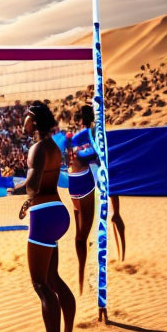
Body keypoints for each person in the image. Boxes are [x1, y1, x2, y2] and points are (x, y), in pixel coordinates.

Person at [7, 101, 75, 332]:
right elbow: (44, 185)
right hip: (57, 211)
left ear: (33, 120)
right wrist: (28, 200)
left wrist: (15, 190)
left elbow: (34, 186)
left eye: (25, 117)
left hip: (44, 218)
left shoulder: (36, 148)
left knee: (40, 284)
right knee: (53, 280)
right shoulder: (53, 147)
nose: (22, 122)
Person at [66, 105, 98, 294]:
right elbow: (86, 155)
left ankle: (83, 278)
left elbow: (88, 155)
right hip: (80, 184)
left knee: (81, 237)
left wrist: (79, 153)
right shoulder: (84, 135)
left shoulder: (85, 135)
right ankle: (83, 280)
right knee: (80, 238)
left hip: (80, 183)